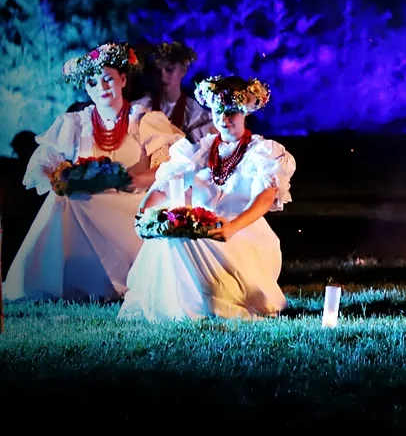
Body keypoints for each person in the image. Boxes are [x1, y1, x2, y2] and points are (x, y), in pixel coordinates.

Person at [4, 43, 185, 301]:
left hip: (133, 205)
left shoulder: (144, 120)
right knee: (62, 200)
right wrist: (59, 181)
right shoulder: (77, 123)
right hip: (87, 203)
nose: (101, 87)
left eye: (108, 79)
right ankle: (59, 284)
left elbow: (167, 167)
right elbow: (45, 160)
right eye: (92, 82)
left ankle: (123, 280)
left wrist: (128, 180)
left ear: (123, 79)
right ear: (86, 88)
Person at [118, 75, 295, 321]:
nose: (223, 119)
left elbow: (266, 196)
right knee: (169, 233)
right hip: (203, 230)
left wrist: (232, 227)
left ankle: (210, 301)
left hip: (242, 233)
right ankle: (176, 306)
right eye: (218, 111)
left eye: (231, 112)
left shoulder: (261, 153)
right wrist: (144, 214)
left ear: (245, 111)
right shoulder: (201, 151)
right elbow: (169, 186)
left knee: (185, 236)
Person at [134, 41, 213, 143]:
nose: (162, 77)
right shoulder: (142, 107)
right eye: (158, 71)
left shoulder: (194, 112)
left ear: (183, 71)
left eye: (169, 69)